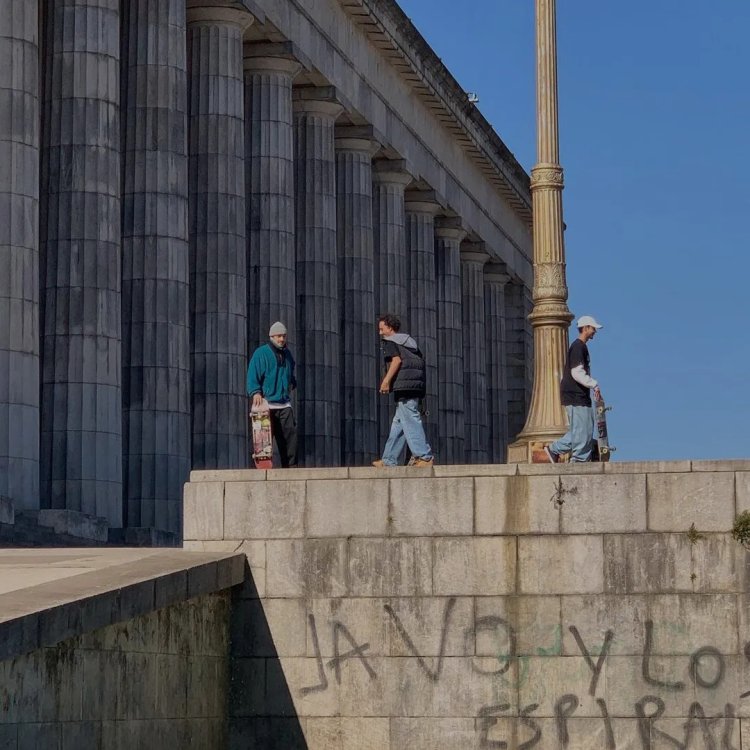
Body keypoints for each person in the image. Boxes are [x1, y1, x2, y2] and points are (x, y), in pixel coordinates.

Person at [373, 314, 434, 467]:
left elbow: (396, 361)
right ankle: (389, 459)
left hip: (405, 385)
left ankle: (424, 456)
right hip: (415, 385)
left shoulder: (390, 342)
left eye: (382, 329)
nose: (380, 333)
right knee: (399, 423)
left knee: (411, 419)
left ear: (390, 327)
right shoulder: (409, 343)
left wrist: (386, 381)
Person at [545, 315, 603, 463]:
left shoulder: (580, 347)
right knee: (582, 431)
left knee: (583, 430)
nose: (594, 331)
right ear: (585, 328)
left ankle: (554, 450)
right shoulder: (578, 347)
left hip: (579, 395)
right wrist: (593, 384)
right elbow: (576, 372)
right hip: (575, 395)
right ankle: (578, 460)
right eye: (593, 328)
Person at [246, 322, 298, 467]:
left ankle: (291, 468)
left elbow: (289, 372)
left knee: (290, 439)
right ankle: (262, 468)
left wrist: (292, 382)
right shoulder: (261, 353)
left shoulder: (288, 355)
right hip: (266, 404)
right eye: (279, 336)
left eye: (284, 336)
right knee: (263, 441)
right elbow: (252, 374)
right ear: (272, 336)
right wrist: (255, 391)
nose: (282, 339)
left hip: (284, 403)